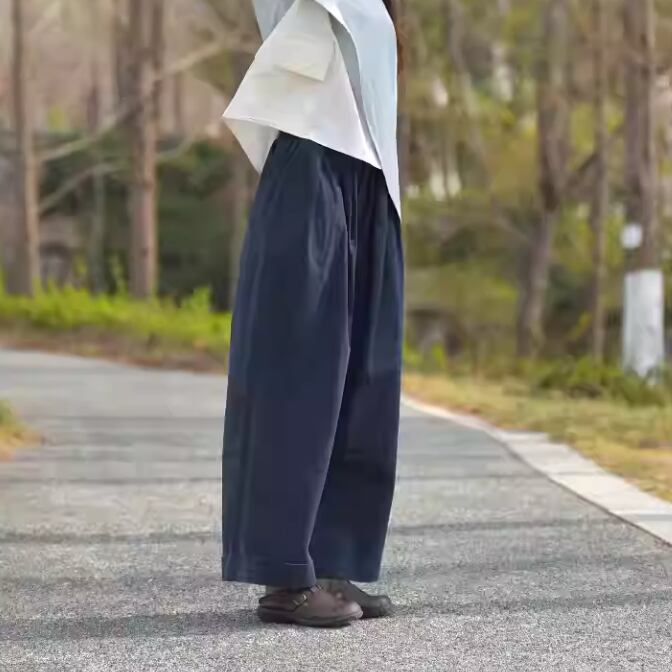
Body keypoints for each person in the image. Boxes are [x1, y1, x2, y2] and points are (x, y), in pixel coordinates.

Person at [221, 0, 404, 628]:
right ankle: (283, 575)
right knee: (299, 371)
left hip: (372, 176)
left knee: (366, 376)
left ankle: (332, 560)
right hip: (309, 159)